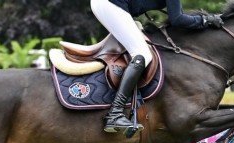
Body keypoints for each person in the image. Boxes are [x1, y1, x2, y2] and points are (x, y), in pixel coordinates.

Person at [91, 0, 224, 134]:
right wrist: (206, 20)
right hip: (110, 4)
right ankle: (115, 113)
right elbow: (177, 19)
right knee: (142, 54)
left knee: (139, 49)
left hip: (107, 4)